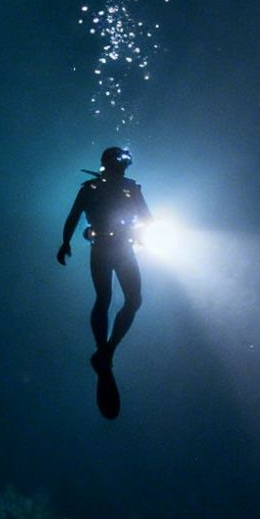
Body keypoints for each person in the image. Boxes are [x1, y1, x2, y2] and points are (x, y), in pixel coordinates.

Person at [57, 146, 152, 385]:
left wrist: (67, 241)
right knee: (108, 297)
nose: (122, 166)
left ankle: (106, 350)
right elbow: (74, 215)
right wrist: (65, 241)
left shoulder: (127, 188)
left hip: (118, 246)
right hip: (106, 247)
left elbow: (146, 218)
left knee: (129, 299)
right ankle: (105, 350)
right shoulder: (94, 188)